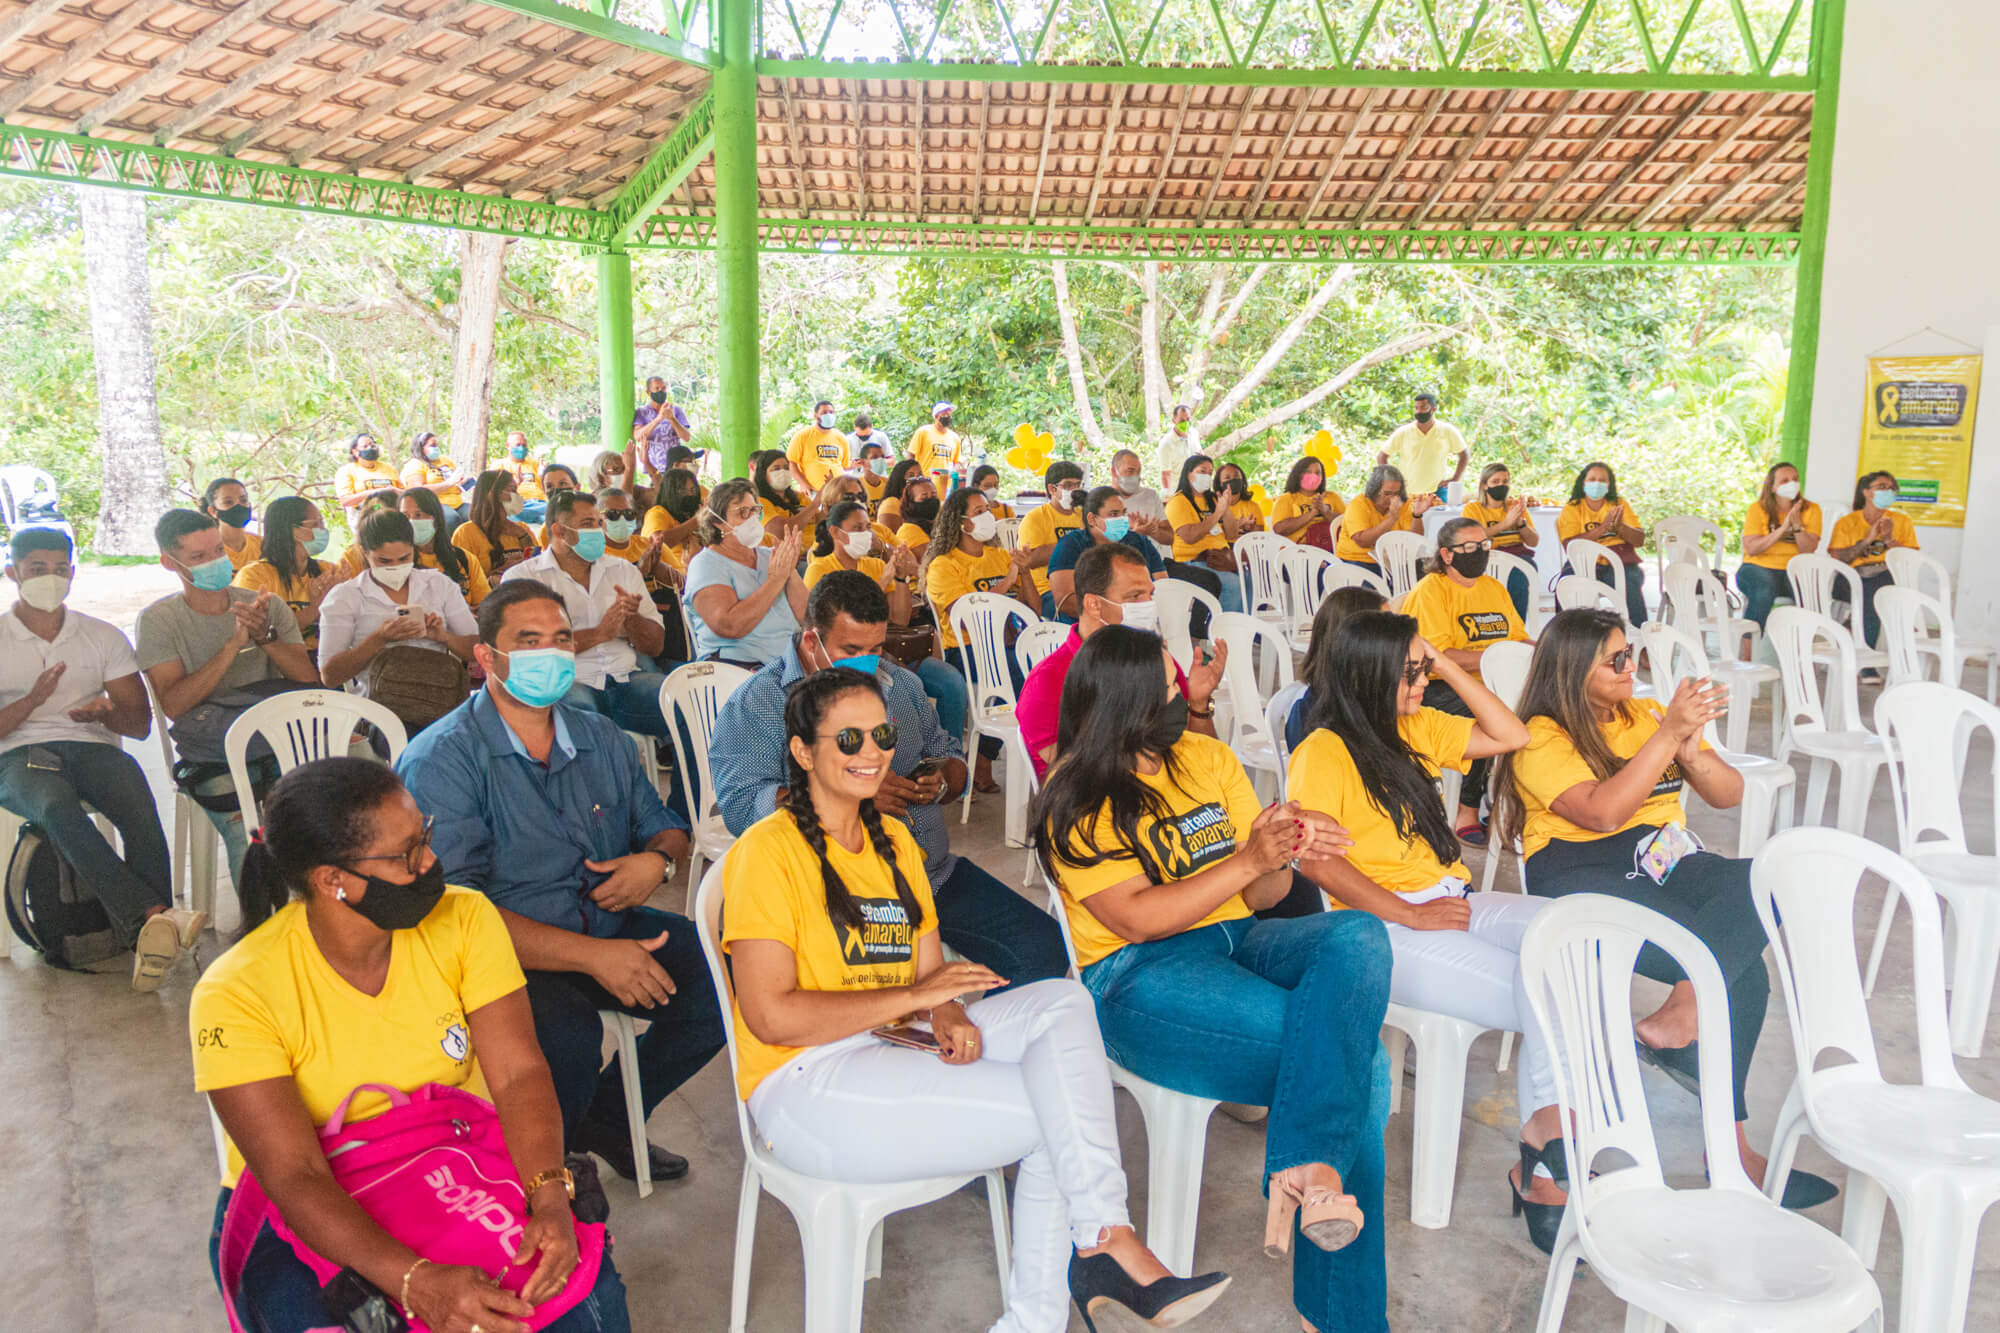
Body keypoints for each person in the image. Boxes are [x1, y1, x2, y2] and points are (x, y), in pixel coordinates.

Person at [722, 666, 1229, 1333]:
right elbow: (771, 1015)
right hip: (805, 1082)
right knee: (1058, 1115)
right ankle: (1086, 1264)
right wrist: (916, 997)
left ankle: (1099, 1242)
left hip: (889, 1041)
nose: (871, 752)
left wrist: (948, 1010)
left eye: (881, 733)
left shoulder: (893, 838)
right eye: (848, 739)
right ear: (801, 751)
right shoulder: (767, 851)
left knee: (1063, 1002)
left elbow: (931, 970)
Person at [1032, 626, 1393, 1333]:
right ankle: (1341, 1312)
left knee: (1356, 933)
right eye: (1167, 693)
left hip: (1240, 937)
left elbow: (1261, 896)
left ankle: (1307, 1169)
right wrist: (1244, 860)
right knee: (1366, 1063)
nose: (1182, 701)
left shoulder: (1205, 756)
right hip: (1139, 977)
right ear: (1124, 706)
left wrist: (1283, 848)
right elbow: (1136, 918)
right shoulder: (1075, 796)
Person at [194, 758, 633, 1333]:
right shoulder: (237, 991)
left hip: (452, 1154)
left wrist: (549, 1194)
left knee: (581, 1306)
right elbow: (295, 1175)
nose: (430, 862)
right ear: (334, 881)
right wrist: (414, 1280)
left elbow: (519, 1074)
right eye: (406, 856)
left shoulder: (465, 918)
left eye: (424, 838)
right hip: (308, 1200)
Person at [1491, 608, 1836, 1210]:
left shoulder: (1643, 714)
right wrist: (1665, 734)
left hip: (1667, 859)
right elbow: (1601, 812)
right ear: (1573, 671)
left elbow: (1728, 795)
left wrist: (1692, 747)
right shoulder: (1540, 737)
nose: (1632, 667)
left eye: (1631, 655)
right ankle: (1728, 1149)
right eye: (1616, 660)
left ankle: (1682, 1013)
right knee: (1742, 976)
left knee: (1779, 878)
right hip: (1584, 873)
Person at [397, 581, 715, 1182]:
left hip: (604, 923)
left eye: (562, 639)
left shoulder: (600, 738)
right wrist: (594, 957)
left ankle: (612, 1116)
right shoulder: (444, 758)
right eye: (529, 640)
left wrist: (657, 864)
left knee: (726, 972)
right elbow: (453, 912)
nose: (551, 653)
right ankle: (543, 1175)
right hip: (504, 952)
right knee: (567, 1036)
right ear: (486, 658)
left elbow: (666, 827)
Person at [1285, 611, 1567, 1250]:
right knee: (1545, 989)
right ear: (1368, 674)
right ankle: (1549, 1154)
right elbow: (1316, 860)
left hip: (1452, 898)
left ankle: (1553, 1146)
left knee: (1571, 939)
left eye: (1420, 669)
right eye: (1408, 672)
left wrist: (1442, 664)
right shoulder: (1323, 750)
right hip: (1384, 926)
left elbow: (1511, 733)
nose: (1419, 682)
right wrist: (1407, 914)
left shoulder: (1410, 725)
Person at [713, 572, 1068, 984]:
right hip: (831, 893)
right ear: (812, 642)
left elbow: (947, 754)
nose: (867, 662)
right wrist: (849, 797)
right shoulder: (759, 703)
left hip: (930, 876)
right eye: (851, 649)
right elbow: (742, 807)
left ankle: (962, 1042)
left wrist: (943, 777)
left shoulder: (900, 685)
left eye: (876, 648)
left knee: (1043, 951)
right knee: (880, 992)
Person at [0, 529, 201, 989]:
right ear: (13, 573)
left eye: (59, 569)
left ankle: (150, 936)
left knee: (136, 797)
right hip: (17, 754)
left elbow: (139, 726)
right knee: (55, 806)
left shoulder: (100, 635)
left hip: (91, 746)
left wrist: (108, 713)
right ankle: (153, 919)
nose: (49, 578)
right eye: (36, 569)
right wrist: (32, 700)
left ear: (72, 573)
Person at [140, 509, 317, 902]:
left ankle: (322, 919)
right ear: (171, 563)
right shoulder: (159, 621)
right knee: (247, 829)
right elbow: (174, 703)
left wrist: (264, 636)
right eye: (200, 557)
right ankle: (261, 931)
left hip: (278, 741)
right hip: (212, 752)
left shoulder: (264, 605)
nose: (216, 562)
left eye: (218, 550)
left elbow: (307, 681)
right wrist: (232, 646)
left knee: (335, 806)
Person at [1019, 542, 1222, 781]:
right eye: (1135, 596)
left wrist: (1198, 706)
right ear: (1094, 605)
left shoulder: (1161, 662)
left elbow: (1204, 759)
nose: (1149, 606)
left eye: (1151, 595)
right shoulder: (1048, 680)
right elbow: (1070, 780)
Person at [1400, 517, 1529, 844]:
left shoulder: (1493, 588)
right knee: (1491, 716)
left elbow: (1518, 638)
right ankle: (1466, 808)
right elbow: (1437, 657)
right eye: (1470, 547)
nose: (1480, 553)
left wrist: (1548, 650)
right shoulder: (1431, 590)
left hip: (1492, 683)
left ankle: (1510, 799)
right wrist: (1494, 658)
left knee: (1544, 709)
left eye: (1484, 545)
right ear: (1446, 554)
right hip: (1439, 687)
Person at [502, 489, 672, 736]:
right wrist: (599, 633)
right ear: (560, 531)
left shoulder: (623, 570)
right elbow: (527, 652)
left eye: (598, 522)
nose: (598, 530)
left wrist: (632, 618)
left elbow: (655, 647)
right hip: (568, 683)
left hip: (625, 678)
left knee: (687, 703)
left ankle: (691, 776)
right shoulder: (524, 579)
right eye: (588, 524)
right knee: (583, 724)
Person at [926, 485, 1037, 793]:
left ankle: (996, 754)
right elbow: (968, 616)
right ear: (962, 523)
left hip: (1007, 646)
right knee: (1021, 675)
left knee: (1042, 667)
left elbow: (1034, 609)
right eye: (979, 512)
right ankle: (995, 755)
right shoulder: (943, 565)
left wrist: (1025, 573)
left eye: (988, 509)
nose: (988, 516)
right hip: (964, 650)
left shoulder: (1000, 555)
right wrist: (1010, 580)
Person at [317, 509, 479, 700]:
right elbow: (330, 676)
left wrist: (443, 637)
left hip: (438, 701)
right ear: (364, 553)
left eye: (404, 559)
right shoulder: (346, 596)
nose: (394, 566)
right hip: (376, 707)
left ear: (414, 549)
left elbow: (476, 650)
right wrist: (378, 639)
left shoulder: (438, 584)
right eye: (383, 561)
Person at [683, 479, 806, 669]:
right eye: (742, 513)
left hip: (791, 664)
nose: (752, 519)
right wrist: (776, 580)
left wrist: (789, 570)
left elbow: (808, 616)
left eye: (755, 511)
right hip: (738, 669)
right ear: (718, 522)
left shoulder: (770, 555)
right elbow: (730, 626)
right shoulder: (705, 564)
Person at [1284, 586, 1390, 752]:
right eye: (1387, 632)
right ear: (1357, 643)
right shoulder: (1311, 718)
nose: (1397, 640)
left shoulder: (1378, 696)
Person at [233, 496, 341, 655]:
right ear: (291, 530)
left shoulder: (328, 571)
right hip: (277, 664)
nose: (323, 530)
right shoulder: (254, 576)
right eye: (315, 524)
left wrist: (344, 595)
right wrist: (314, 609)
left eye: (322, 523)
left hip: (323, 658)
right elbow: (261, 633)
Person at [1827, 469, 1916, 651]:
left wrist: (1889, 539)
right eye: (1882, 487)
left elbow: (1910, 560)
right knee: (1873, 593)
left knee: (1876, 590)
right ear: (1866, 492)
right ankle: (1866, 657)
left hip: (1886, 575)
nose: (1888, 491)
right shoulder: (1847, 522)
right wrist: (1867, 540)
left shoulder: (1902, 521)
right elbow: (1838, 558)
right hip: (1850, 578)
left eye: (1892, 488)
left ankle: (1860, 642)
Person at [1047, 485, 1164, 623]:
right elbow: (1065, 601)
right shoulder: (1071, 545)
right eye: (1114, 514)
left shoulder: (1138, 541)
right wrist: (1115, 614)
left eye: (1124, 513)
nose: (1122, 519)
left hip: (1141, 621)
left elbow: (1162, 585)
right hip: (1087, 626)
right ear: (1092, 519)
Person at [1734, 462, 1821, 634]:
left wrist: (1796, 526)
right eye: (1785, 481)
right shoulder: (1757, 509)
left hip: (1793, 570)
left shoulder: (1811, 509)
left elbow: (1807, 550)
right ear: (1772, 487)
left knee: (1810, 591)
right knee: (1764, 589)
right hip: (1756, 568)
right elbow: (1752, 549)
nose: (1792, 484)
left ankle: (1801, 646)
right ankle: (1749, 649)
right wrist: (1782, 529)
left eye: (1795, 479)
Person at [1556, 461, 1647, 626]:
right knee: (1564, 586)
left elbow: (1639, 540)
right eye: (1592, 479)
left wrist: (1620, 526)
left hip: (1619, 564)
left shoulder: (1619, 504)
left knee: (1630, 583)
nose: (1596, 483)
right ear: (1583, 482)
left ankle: (1639, 639)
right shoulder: (1573, 508)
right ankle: (1563, 635)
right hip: (1583, 564)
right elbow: (1569, 545)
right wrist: (1602, 529)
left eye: (1602, 480)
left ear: (1609, 484)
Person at [1165, 456, 1248, 613]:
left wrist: (1226, 507)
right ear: (1188, 474)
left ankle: (1246, 631)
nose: (1207, 476)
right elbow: (1190, 537)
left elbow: (1230, 533)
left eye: (1210, 472)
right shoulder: (1178, 502)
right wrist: (1216, 515)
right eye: (1202, 471)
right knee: (1232, 584)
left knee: (1250, 581)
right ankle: (1224, 633)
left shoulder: (1211, 499)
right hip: (1193, 560)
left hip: (1221, 557)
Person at [1460, 463, 1537, 617]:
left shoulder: (1515, 507)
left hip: (1518, 556)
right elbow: (1472, 538)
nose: (1501, 485)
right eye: (1495, 482)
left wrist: (1521, 523)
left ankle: (1517, 625)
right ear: (1485, 485)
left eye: (1505, 481)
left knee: (1522, 572)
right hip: (1488, 557)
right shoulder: (1473, 509)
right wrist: (1506, 524)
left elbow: (1533, 542)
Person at [400, 486, 491, 608]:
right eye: (405, 516)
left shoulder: (464, 559)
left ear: (436, 518)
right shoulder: (395, 564)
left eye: (418, 514)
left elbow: (485, 607)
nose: (411, 522)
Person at [1017, 460, 1086, 617]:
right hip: (1047, 592)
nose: (1074, 490)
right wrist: (1075, 544)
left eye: (1078, 485)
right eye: (1068, 485)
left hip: (1083, 588)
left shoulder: (1084, 516)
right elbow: (1031, 560)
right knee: (1082, 616)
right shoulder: (1035, 518)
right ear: (1051, 489)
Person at [1336, 465, 1433, 576]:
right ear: (1374, 490)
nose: (1392, 498)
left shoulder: (1403, 503)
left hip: (1393, 561)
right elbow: (1362, 541)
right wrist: (1391, 519)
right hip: (1358, 559)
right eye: (1387, 493)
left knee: (1427, 572)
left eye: (1396, 493)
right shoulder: (1359, 504)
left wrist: (1417, 515)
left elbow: (1415, 539)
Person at [1376, 391, 1467, 500]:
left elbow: (1464, 454)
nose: (1419, 411)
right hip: (1407, 492)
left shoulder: (1447, 431)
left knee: (1442, 517)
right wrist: (1390, 479)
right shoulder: (1403, 432)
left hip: (1437, 491)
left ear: (1433, 409)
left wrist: (1455, 478)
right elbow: (1382, 456)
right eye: (1416, 408)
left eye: (1423, 407)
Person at [454, 468, 539, 580]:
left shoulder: (522, 528)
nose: (517, 496)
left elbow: (538, 566)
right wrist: (501, 572)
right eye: (512, 490)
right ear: (493, 494)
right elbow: (463, 581)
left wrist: (523, 536)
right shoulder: (465, 533)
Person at [596, 484, 678, 597]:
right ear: (597, 517)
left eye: (628, 514)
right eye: (613, 514)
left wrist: (659, 568)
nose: (622, 519)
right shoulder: (592, 555)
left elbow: (685, 585)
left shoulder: (651, 546)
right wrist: (639, 572)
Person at [628, 375, 691, 491]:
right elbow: (638, 436)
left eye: (663, 388)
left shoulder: (676, 410)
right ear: (648, 392)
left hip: (676, 468)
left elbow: (686, 437)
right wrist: (659, 418)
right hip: (654, 469)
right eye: (656, 389)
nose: (660, 391)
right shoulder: (641, 412)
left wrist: (672, 419)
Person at [1270, 457, 1342, 551]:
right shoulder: (1285, 499)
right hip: (1296, 553)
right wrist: (1311, 514)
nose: (1313, 476)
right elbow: (1279, 529)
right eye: (1308, 472)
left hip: (1330, 551)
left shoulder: (1332, 497)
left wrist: (1325, 511)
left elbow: (1347, 524)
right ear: (1298, 475)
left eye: (1317, 473)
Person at [784, 398, 851, 492]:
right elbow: (792, 463)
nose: (828, 415)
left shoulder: (841, 437)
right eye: (824, 412)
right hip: (813, 492)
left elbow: (845, 465)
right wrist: (803, 484)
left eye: (831, 412)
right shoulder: (802, 436)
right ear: (816, 416)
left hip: (839, 490)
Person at [397, 430, 466, 519]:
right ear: (421, 448)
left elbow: (455, 480)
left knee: (477, 515)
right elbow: (419, 490)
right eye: (432, 446)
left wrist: (462, 483)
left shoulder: (445, 460)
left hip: (458, 503)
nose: (436, 448)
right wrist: (448, 483)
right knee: (452, 519)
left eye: (436, 445)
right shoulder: (414, 464)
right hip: (434, 504)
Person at [753, 451, 817, 544]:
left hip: (816, 550)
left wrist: (829, 501)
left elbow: (820, 519)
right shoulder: (758, 502)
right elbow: (781, 531)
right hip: (789, 555)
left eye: (787, 468)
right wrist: (815, 504)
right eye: (776, 469)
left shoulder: (799, 497)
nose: (783, 472)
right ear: (763, 474)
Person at [201, 478, 263, 571]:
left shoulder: (262, 545)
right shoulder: (207, 551)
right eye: (228, 502)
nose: (238, 506)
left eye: (243, 500)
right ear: (213, 511)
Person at [333, 432, 401, 512]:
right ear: (355, 452)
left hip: (393, 513)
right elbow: (345, 500)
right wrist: (375, 492)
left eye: (372, 446)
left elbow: (405, 493)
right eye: (365, 446)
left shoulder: (389, 468)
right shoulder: (346, 471)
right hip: (363, 516)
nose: (370, 448)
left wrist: (394, 491)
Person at [909, 401, 967, 486]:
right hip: (925, 482)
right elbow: (911, 455)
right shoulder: (923, 432)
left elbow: (956, 462)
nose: (949, 417)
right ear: (936, 416)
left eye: (950, 415)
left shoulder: (955, 438)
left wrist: (953, 473)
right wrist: (913, 476)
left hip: (946, 484)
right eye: (945, 414)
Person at [498, 431, 548, 524]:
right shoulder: (500, 465)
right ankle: (541, 517)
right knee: (510, 510)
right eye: (518, 444)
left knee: (554, 507)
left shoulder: (535, 464)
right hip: (517, 503)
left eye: (524, 445)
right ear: (508, 445)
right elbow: (494, 493)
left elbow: (546, 490)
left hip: (539, 503)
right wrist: (516, 483)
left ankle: (537, 516)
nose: (521, 448)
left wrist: (543, 476)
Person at [890, 472, 940, 552]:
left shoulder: (931, 525)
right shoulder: (909, 531)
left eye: (934, 496)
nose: (931, 501)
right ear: (911, 503)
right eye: (924, 498)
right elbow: (931, 560)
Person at [1155, 402, 1200, 487]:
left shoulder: (1194, 433)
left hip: (1196, 488)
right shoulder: (1166, 444)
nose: (1186, 423)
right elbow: (1165, 474)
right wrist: (1167, 497)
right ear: (1174, 420)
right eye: (1182, 420)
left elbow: (1200, 453)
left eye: (1188, 419)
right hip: (1177, 491)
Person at [876, 458, 924, 530]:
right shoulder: (891, 504)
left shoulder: (917, 502)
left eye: (920, 475)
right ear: (899, 479)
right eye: (911, 476)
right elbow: (890, 539)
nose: (917, 479)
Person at [853, 431, 893, 505]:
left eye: (883, 457)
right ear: (862, 462)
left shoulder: (889, 485)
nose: (880, 460)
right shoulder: (856, 486)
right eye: (874, 457)